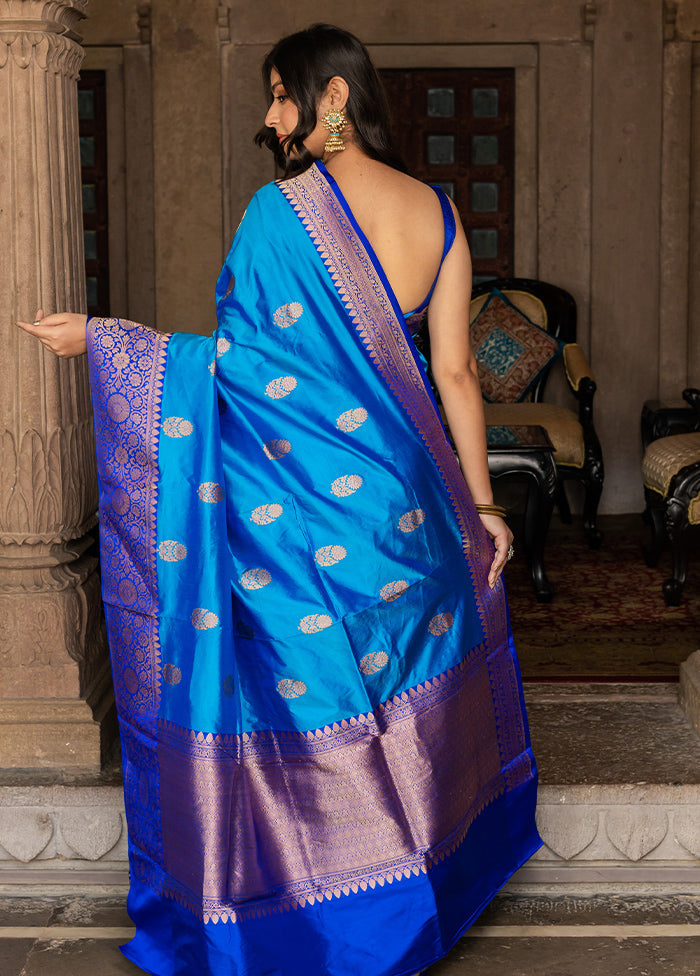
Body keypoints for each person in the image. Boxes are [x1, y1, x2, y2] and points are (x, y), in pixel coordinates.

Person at [18, 24, 540, 976]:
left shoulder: (280, 212)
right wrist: (485, 508)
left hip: (306, 517)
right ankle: (420, 900)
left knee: (320, 706)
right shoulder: (441, 212)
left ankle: (341, 919)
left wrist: (109, 339)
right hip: (408, 521)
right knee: (398, 708)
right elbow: (457, 375)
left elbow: (244, 367)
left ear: (333, 96)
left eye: (280, 96)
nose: (271, 117)